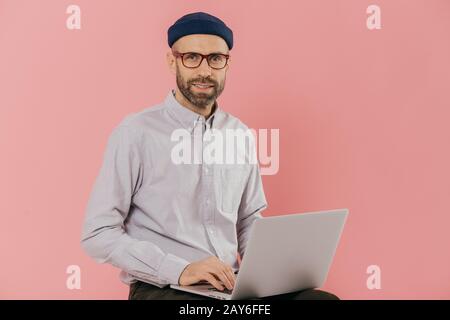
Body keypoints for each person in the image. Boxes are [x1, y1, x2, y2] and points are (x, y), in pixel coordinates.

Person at [81, 11, 339, 300]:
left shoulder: (239, 134)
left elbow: (248, 219)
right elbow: (98, 234)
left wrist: (269, 274)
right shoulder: (135, 133)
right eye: (192, 57)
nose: (204, 70)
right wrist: (179, 270)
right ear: (172, 61)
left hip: (230, 287)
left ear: (227, 65)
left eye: (216, 59)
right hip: (163, 288)